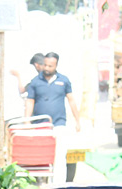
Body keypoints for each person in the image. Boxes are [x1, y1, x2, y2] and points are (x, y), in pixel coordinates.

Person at [24, 50, 81, 181]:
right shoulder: (35, 82)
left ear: (56, 66)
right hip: (40, 125)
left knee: (60, 155)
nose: (47, 68)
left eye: (50, 66)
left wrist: (78, 121)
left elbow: (71, 100)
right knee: (41, 156)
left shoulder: (64, 81)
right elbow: (30, 101)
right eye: (45, 65)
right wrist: (27, 121)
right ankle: (41, 183)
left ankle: (59, 184)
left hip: (58, 124)